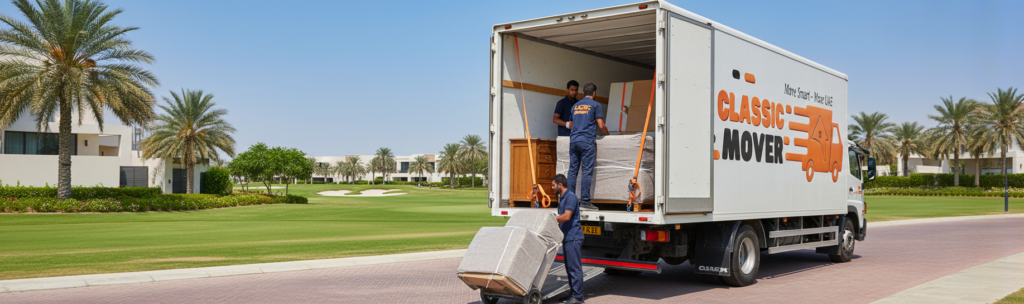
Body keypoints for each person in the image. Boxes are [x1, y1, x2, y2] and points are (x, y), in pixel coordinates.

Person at [566, 83, 609, 211]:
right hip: (586, 141)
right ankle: (585, 202)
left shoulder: (575, 106)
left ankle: (570, 202)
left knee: (573, 171)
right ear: (594, 93)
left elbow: (571, 124)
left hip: (573, 140)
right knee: (586, 171)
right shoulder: (595, 105)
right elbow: (601, 125)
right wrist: (609, 135)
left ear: (583, 93)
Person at [551, 174, 585, 304]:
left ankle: (578, 297)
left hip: (573, 237)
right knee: (569, 267)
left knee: (574, 268)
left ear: (560, 185)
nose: (552, 188)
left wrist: (551, 218)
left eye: (554, 185)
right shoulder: (562, 198)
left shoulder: (571, 197)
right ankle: (573, 294)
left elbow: (566, 217)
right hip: (567, 237)